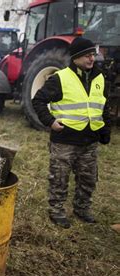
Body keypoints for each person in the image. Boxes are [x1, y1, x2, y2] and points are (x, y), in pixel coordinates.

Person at [32, 37, 111, 229]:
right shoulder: (60, 78)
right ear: (76, 57)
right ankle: (57, 211)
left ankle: (82, 209)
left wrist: (105, 129)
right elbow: (38, 100)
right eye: (87, 55)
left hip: (90, 140)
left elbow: (103, 106)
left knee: (88, 179)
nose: (91, 59)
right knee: (59, 179)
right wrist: (50, 122)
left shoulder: (100, 78)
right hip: (65, 140)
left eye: (93, 55)